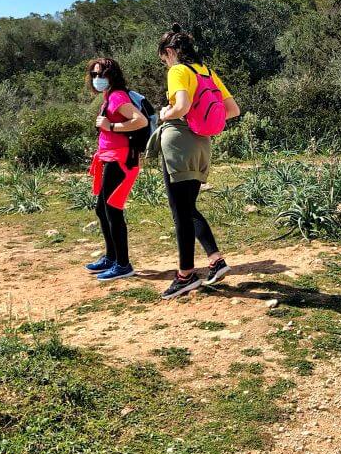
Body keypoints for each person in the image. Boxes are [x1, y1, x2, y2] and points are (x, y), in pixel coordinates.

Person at [154, 24, 241, 299]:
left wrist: (166, 114)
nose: (165, 64)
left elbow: (180, 106)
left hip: (180, 143)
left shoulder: (178, 71)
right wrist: (201, 123)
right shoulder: (207, 71)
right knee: (188, 207)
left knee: (180, 212)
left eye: (164, 59)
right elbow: (233, 110)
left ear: (170, 52)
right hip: (203, 143)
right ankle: (215, 260)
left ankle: (185, 276)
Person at [85, 58, 148, 281]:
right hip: (110, 158)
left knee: (112, 210)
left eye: (101, 74)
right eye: (94, 75)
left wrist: (110, 126)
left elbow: (139, 121)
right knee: (102, 210)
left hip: (121, 160)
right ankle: (112, 258)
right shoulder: (109, 96)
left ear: (112, 75)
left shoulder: (118, 96)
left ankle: (123, 264)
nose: (97, 79)